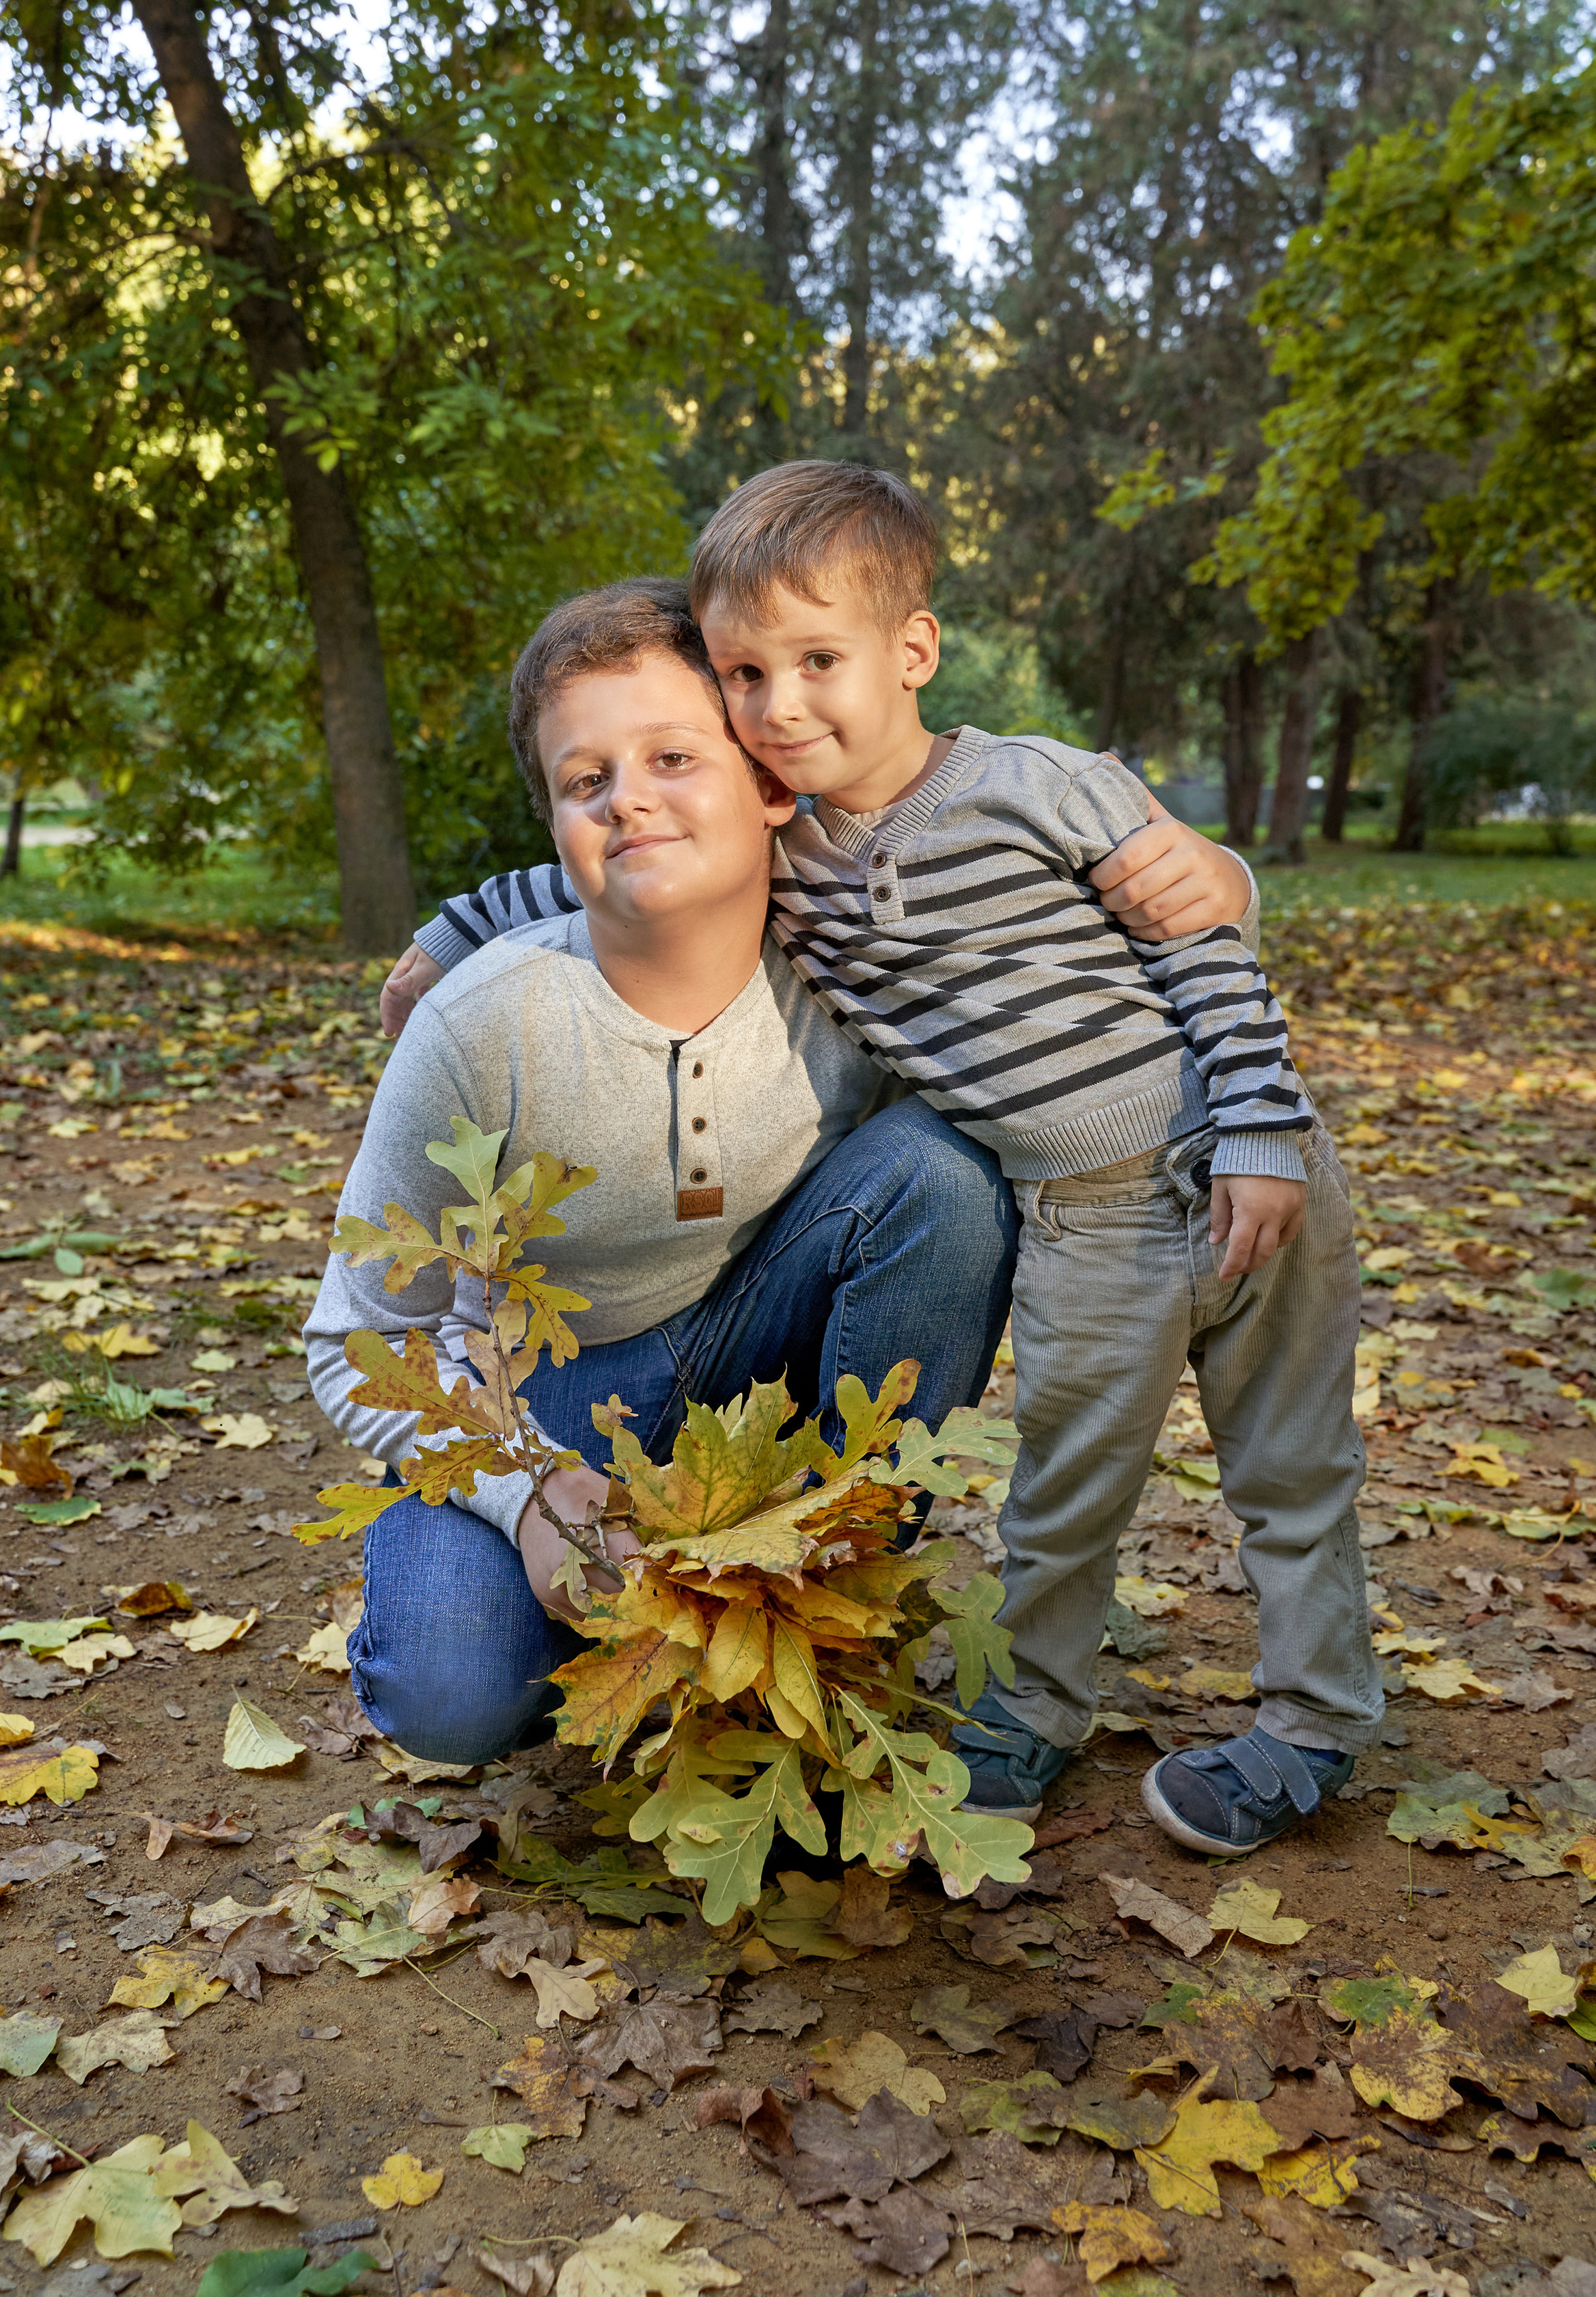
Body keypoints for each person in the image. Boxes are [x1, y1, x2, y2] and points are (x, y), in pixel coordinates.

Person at [380, 465, 1379, 1858]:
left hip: (1236, 1163)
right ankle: (1031, 1710)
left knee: (1286, 1462)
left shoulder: (1039, 784)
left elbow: (1197, 944)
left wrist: (1261, 1120)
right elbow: (592, 854)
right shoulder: (780, 850)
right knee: (1061, 1485)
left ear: (911, 652)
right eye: (743, 673)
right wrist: (444, 934)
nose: (780, 706)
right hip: (1079, 1218)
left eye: (816, 662)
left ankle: (1312, 1722)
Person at [308, 583, 1010, 1762]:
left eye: (675, 755)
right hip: (537, 1400)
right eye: (587, 782)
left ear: (772, 783)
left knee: (946, 1174)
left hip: (755, 1362)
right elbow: (353, 1342)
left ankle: (831, 1602)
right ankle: (585, 1589)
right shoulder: (485, 1028)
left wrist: (1212, 879)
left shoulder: (862, 976)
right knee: (454, 1698)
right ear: (559, 830)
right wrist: (526, 1491)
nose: (629, 796)